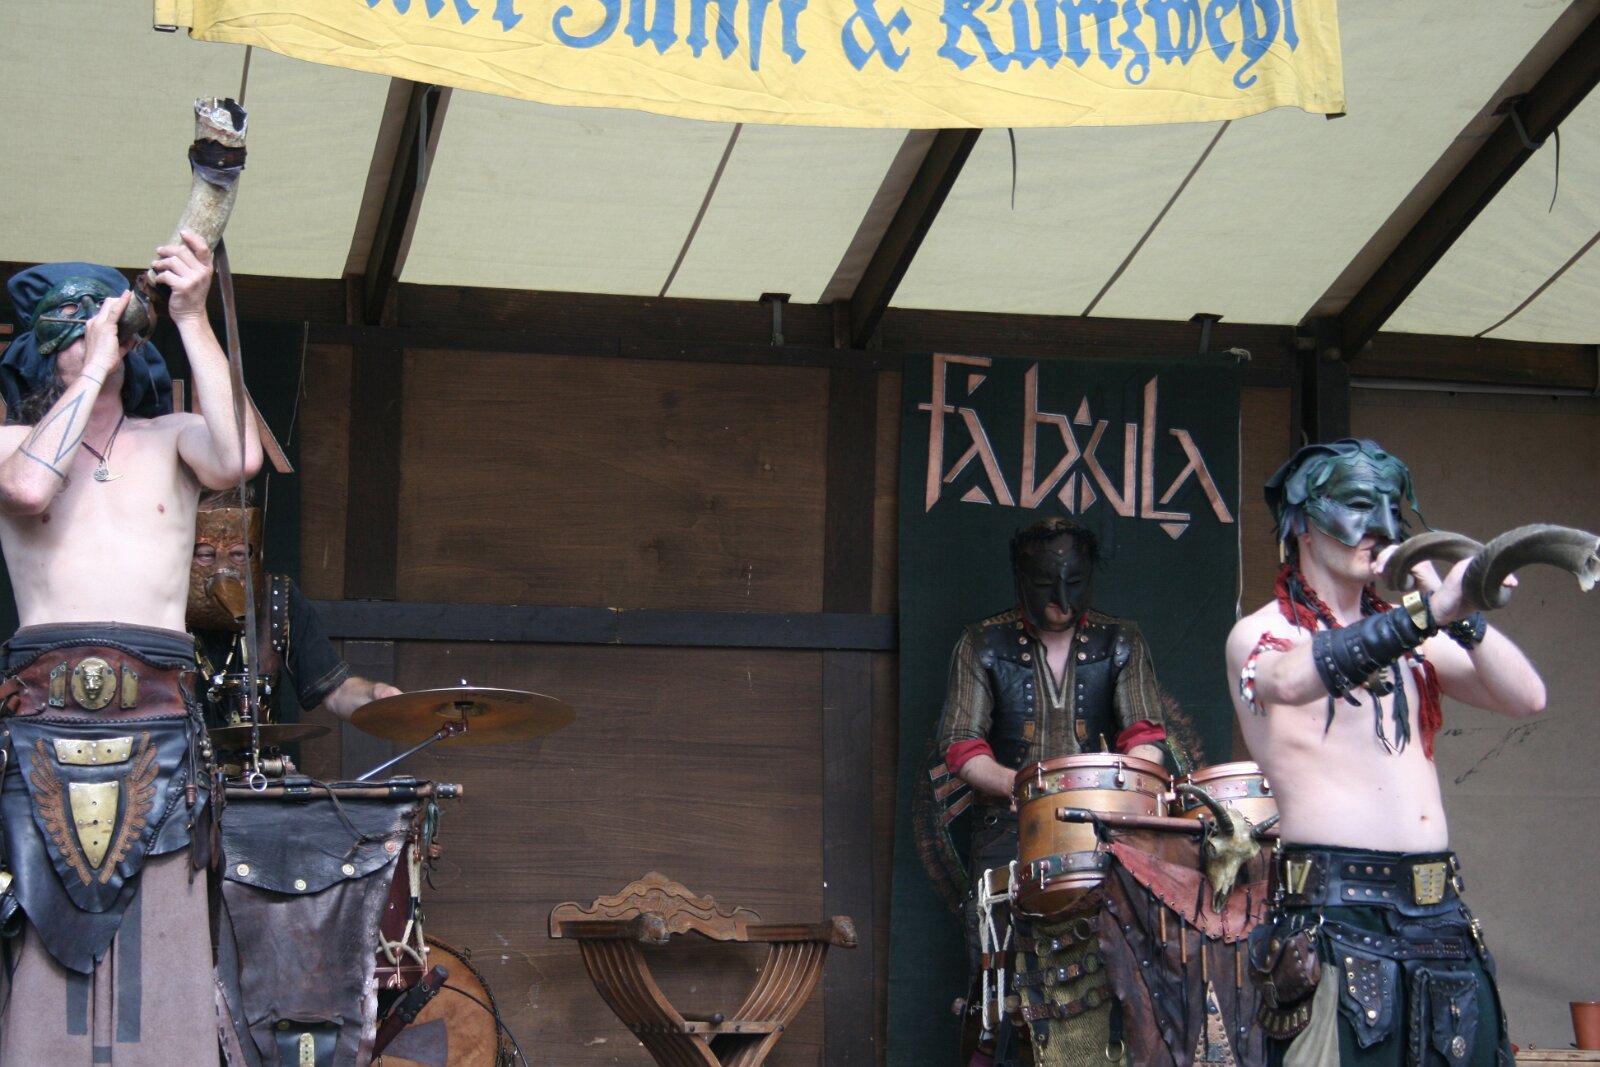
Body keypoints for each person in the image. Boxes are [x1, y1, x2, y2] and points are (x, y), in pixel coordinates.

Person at [0, 233, 262, 1066]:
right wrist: (90, 370)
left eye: (107, 322)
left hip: (160, 724)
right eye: (78, 324)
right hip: (42, 727)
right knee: (42, 959)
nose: (98, 334)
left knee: (167, 952)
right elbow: (30, 486)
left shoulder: (173, 437)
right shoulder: (9, 444)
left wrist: (191, 314)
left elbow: (241, 456)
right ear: (46, 344)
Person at [1227, 438, 1544, 1067]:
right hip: (1338, 917)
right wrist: (1425, 614)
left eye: (1390, 509)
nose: (1378, 525)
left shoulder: (1415, 638)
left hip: (1439, 916)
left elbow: (1527, 697)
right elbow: (1289, 681)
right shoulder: (1263, 633)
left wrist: (1462, 612)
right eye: (1355, 505)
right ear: (1303, 524)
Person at [935, 516, 1184, 1067]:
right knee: (997, 981)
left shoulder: (1121, 640)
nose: (1063, 600)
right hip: (1009, 827)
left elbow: (1145, 736)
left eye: (1075, 583)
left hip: (1103, 828)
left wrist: (1128, 785)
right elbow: (960, 744)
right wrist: (1019, 787)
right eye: (1046, 584)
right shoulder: (982, 642)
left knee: (1123, 965)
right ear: (1020, 577)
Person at [189, 488, 400, 732]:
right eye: (206, 555)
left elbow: (336, 692)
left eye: (238, 554)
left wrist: (374, 695)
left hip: (254, 755)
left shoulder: (277, 597)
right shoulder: (160, 605)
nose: (223, 569)